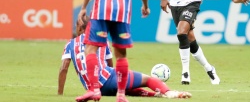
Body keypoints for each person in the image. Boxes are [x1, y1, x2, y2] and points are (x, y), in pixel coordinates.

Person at [58, 18, 192, 99]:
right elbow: (110, 64)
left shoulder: (70, 44)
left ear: (78, 27)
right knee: (149, 79)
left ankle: (156, 95)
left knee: (129, 90)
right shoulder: (100, 39)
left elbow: (63, 69)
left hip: (92, 88)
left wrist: (60, 94)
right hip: (108, 79)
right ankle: (169, 93)